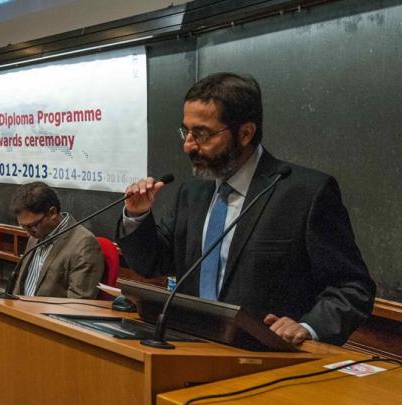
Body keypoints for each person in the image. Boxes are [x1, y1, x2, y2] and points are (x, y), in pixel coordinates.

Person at [117, 72, 375, 345]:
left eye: (202, 133)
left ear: (245, 133)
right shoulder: (193, 192)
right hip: (188, 347)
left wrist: (308, 326)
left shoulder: (305, 193)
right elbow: (152, 262)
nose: (188, 145)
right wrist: (137, 215)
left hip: (264, 359)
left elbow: (352, 288)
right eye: (186, 131)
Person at [11, 182, 104, 298]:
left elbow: (79, 303)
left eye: (32, 226)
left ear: (52, 212)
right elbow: (19, 287)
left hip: (47, 315)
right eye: (23, 227)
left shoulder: (83, 245)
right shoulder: (35, 236)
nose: (27, 233)